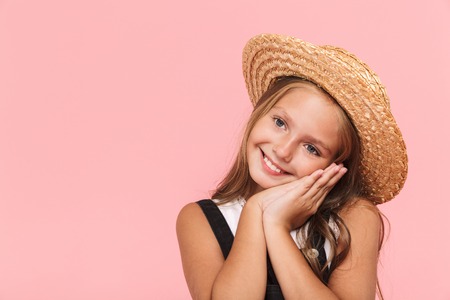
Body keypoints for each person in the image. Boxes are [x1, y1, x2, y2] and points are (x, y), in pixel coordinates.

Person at [176, 34, 408, 300]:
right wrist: (255, 211)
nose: (283, 151)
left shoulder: (354, 218)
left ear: (334, 166)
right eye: (280, 123)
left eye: (312, 148)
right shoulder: (199, 220)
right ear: (260, 111)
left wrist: (276, 225)